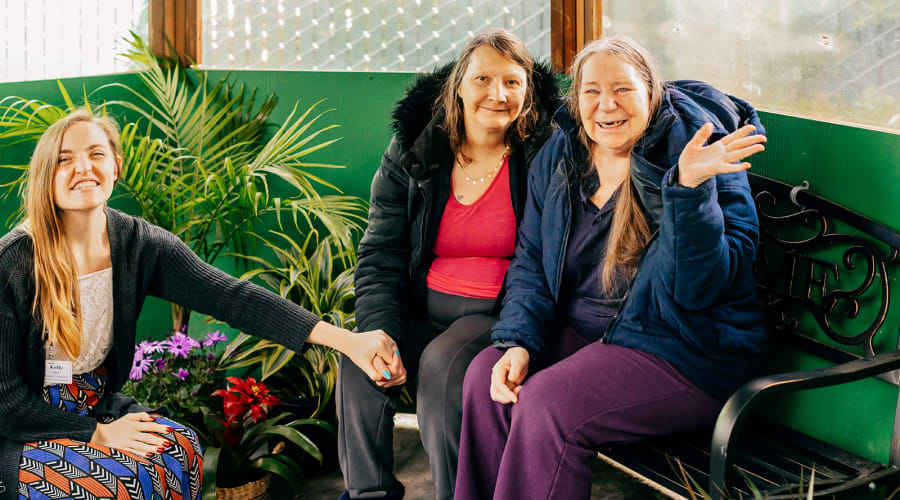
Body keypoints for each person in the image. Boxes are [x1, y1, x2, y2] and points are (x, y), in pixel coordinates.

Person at [0, 109, 398, 500]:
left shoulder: (140, 245)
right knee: (120, 481)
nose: (83, 167)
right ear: (44, 175)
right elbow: (7, 404)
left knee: (182, 449)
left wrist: (348, 341)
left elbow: (231, 296)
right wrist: (100, 435)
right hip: (26, 426)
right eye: (64, 160)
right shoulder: (12, 262)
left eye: (96, 154)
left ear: (116, 166)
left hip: (97, 403)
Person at [454, 35, 770, 500]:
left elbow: (700, 289)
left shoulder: (703, 156)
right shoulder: (561, 155)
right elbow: (532, 263)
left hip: (685, 348)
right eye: (592, 91)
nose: (607, 105)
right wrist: (520, 341)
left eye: (623, 89)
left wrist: (688, 190)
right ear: (575, 99)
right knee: (487, 376)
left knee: (550, 402)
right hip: (591, 335)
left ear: (650, 93)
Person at [339, 28, 562, 500]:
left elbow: (546, 260)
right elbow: (381, 253)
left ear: (528, 90)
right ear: (457, 86)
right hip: (423, 308)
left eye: (512, 82)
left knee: (444, 366)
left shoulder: (544, 155)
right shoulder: (414, 152)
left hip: (498, 313)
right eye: (483, 79)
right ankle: (367, 494)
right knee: (358, 357)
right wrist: (378, 330)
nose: (497, 95)